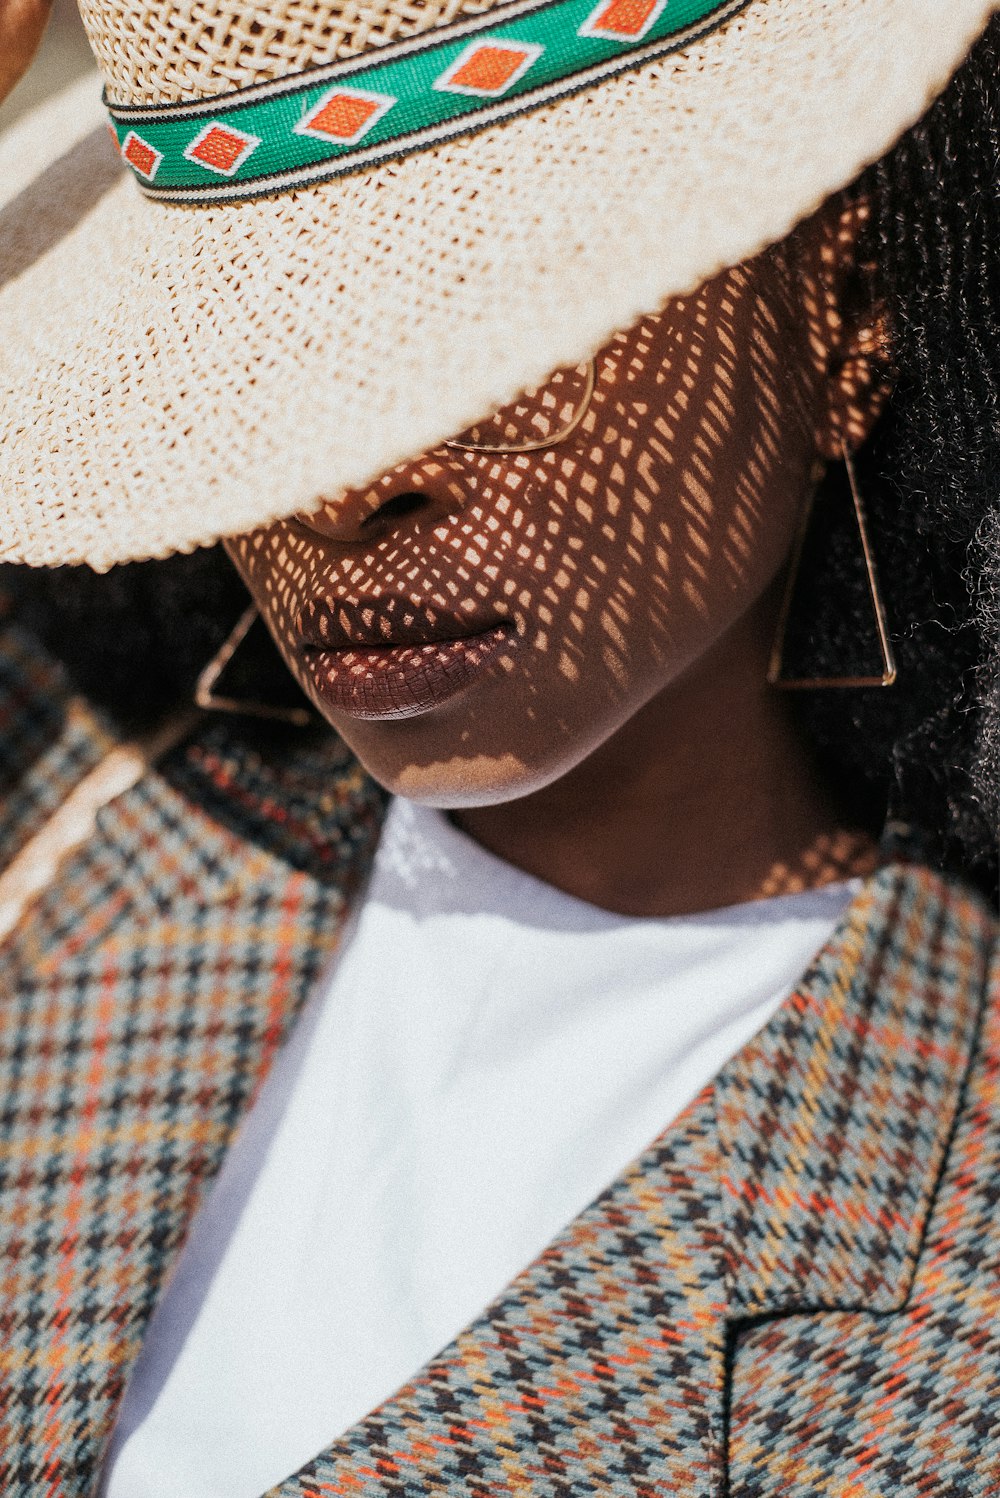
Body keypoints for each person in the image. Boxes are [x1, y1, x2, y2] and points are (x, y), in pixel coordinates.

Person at [0, 1, 999, 1494]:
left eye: (498, 317)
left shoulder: (946, 1298)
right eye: (248, 359)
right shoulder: (81, 804)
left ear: (838, 303)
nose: (352, 482)